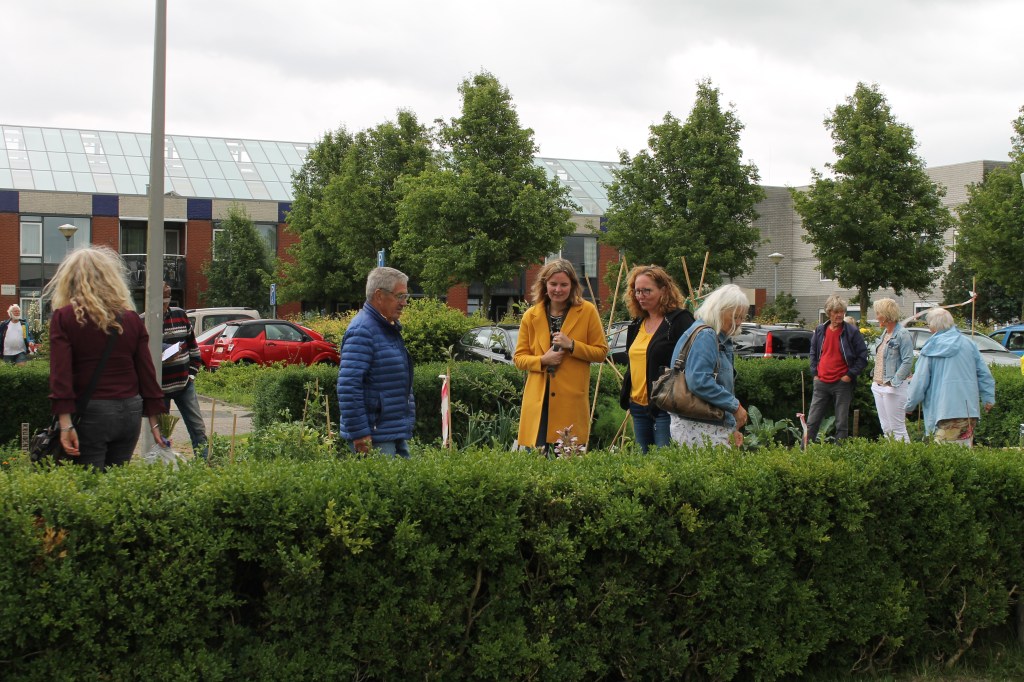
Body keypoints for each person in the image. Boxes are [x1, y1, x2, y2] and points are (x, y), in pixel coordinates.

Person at [44, 247, 167, 471]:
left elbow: (60, 374)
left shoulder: (65, 318)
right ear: (111, 279)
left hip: (92, 414)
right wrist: (155, 422)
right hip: (130, 412)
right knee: (115, 487)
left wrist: (65, 423)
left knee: (89, 488)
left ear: (69, 281)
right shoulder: (130, 319)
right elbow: (147, 372)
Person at [514, 259, 608, 452]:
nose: (558, 289)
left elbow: (601, 352)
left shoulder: (587, 311)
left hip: (570, 401)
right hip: (538, 401)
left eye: (564, 284)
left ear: (573, 285)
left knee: (569, 461)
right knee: (536, 462)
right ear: (544, 285)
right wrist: (542, 360)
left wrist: (572, 345)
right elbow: (519, 358)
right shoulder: (530, 316)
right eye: (553, 284)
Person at [337, 267, 415, 457]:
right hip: (375, 435)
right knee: (385, 486)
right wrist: (360, 433)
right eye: (400, 296)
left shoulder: (386, 328)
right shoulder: (363, 330)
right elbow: (348, 386)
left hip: (390, 430)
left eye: (406, 296)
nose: (404, 303)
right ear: (379, 295)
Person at [618, 265, 694, 453]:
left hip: (666, 405)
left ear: (664, 290)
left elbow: (693, 358)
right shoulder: (637, 324)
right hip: (637, 405)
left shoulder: (679, 320)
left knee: (664, 461)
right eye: (637, 291)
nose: (641, 295)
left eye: (647, 290)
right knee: (644, 463)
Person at [667, 284, 749, 448]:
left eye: (742, 317)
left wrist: (732, 427)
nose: (739, 322)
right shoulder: (706, 335)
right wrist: (735, 407)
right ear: (718, 311)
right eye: (734, 317)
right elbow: (699, 381)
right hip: (700, 426)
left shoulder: (714, 336)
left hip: (701, 424)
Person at [904, 307, 995, 446]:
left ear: (933, 326)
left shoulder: (930, 348)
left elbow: (919, 381)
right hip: (968, 409)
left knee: (944, 459)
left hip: (943, 410)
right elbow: (983, 373)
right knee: (964, 453)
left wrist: (909, 405)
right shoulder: (969, 344)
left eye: (929, 325)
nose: (929, 329)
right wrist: (988, 398)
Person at [807, 295, 868, 443]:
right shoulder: (820, 330)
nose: (840, 315)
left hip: (842, 383)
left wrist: (849, 375)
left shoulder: (851, 332)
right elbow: (813, 353)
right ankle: (805, 450)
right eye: (836, 312)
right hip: (821, 382)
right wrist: (815, 373)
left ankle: (839, 454)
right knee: (812, 420)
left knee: (841, 422)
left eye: (842, 311)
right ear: (829, 313)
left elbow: (863, 356)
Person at [160, 282, 208, 460]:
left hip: (184, 384)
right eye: (162, 301)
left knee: (197, 428)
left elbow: (194, 349)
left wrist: (192, 374)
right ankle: (162, 466)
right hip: (160, 388)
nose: (165, 306)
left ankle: (203, 464)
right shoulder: (146, 320)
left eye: (167, 300)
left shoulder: (180, 315)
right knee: (161, 433)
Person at [870, 298, 914, 442]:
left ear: (886, 314)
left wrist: (894, 381)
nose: (877, 317)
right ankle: (893, 457)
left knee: (897, 428)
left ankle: (905, 460)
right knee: (886, 427)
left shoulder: (902, 334)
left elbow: (908, 360)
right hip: (879, 386)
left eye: (879, 313)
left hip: (893, 387)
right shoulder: (885, 334)